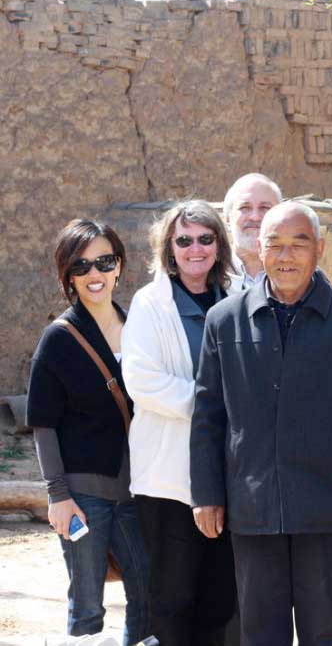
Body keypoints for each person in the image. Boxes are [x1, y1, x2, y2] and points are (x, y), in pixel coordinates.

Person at [190, 201, 332, 646]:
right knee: (261, 634)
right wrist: (206, 494)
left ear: (319, 248)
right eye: (274, 245)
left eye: (298, 244)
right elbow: (208, 416)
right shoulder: (224, 321)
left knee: (325, 632)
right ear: (258, 252)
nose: (286, 256)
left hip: (329, 508)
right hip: (252, 507)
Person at [26, 219, 150, 645]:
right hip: (83, 494)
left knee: (147, 591)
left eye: (104, 262)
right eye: (81, 266)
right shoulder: (58, 339)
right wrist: (58, 496)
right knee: (87, 601)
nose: (94, 274)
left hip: (139, 489)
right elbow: (43, 423)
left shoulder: (141, 328)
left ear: (119, 267)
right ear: (68, 276)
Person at [121, 201, 238, 645]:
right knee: (171, 601)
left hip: (229, 477)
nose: (195, 248)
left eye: (205, 238)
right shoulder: (150, 304)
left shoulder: (240, 295)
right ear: (169, 247)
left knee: (220, 599)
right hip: (170, 482)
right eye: (184, 239)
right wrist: (215, 407)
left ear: (219, 245)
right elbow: (143, 381)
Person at [223, 172, 282, 291]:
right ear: (228, 219)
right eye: (244, 208)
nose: (255, 217)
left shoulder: (300, 274)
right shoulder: (208, 273)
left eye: (265, 208)